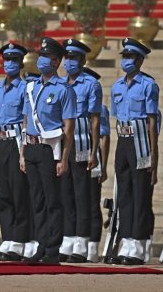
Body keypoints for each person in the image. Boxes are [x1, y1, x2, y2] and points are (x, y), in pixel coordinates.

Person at [20, 37, 76, 264]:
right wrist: (22, 154)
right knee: (37, 200)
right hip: (31, 148)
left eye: (46, 56)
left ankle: (52, 249)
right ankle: (41, 245)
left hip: (50, 149)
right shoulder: (31, 87)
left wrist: (63, 159)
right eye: (40, 55)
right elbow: (25, 122)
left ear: (55, 61)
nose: (41, 60)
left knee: (52, 200)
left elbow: (69, 129)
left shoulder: (64, 90)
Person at [109, 38, 159, 265]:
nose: (126, 61)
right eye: (124, 57)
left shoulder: (148, 85)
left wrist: (153, 157)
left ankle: (139, 244)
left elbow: (151, 122)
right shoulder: (117, 86)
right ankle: (126, 240)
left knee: (140, 194)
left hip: (141, 141)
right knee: (125, 194)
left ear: (139, 60)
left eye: (130, 57)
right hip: (124, 140)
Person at [58, 39, 102, 263]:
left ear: (83, 60)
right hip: (64, 143)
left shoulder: (91, 84)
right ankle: (69, 237)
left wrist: (94, 152)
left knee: (82, 194)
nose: (69, 62)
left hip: (83, 143)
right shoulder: (60, 84)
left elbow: (95, 121)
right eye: (67, 57)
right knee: (65, 193)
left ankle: (82, 242)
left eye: (74, 58)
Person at [0, 42, 32, 261]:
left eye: (14, 60)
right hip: (0, 141)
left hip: (17, 140)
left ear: (20, 63)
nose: (9, 64)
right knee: (4, 191)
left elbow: (26, 121)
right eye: (6, 60)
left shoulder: (25, 88)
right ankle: (7, 237)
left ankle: (20, 238)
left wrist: (24, 151)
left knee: (19, 191)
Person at [81, 67, 109, 263]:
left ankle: (92, 246)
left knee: (91, 203)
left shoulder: (101, 109)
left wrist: (104, 165)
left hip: (93, 157)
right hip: (77, 156)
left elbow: (104, 138)